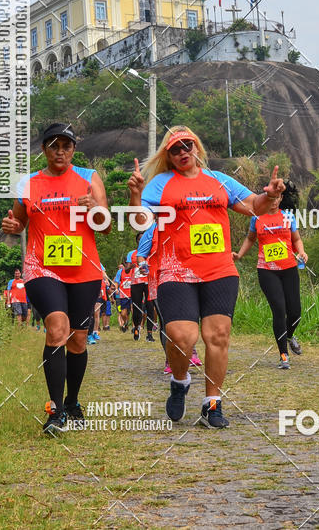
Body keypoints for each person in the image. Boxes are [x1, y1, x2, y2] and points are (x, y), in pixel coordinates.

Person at [129, 126, 286, 428]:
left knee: (218, 336)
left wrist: (271, 194)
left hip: (218, 270)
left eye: (187, 145)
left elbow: (254, 206)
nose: (182, 151)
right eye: (174, 149)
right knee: (181, 337)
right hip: (175, 269)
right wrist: (135, 195)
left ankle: (212, 404)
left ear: (197, 147)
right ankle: (179, 380)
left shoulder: (218, 181)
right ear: (168, 155)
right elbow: (140, 223)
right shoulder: (160, 184)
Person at [1, 122, 110, 435]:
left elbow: (104, 227)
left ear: (74, 149)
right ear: (43, 149)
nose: (60, 151)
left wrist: (96, 210)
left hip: (83, 268)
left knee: (77, 339)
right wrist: (13, 227)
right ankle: (55, 410)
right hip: (41, 267)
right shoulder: (28, 184)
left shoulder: (89, 179)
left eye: (66, 145)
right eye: (54, 146)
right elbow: (18, 222)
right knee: (57, 327)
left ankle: (72, 401)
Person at [234, 179, 306, 369]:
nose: (273, 201)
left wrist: (302, 252)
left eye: (277, 197)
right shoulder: (256, 218)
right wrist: (240, 255)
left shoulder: (288, 217)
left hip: (289, 268)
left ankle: (289, 336)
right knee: (279, 310)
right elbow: (250, 239)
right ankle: (283, 355)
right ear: (267, 198)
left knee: (295, 313)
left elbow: (296, 239)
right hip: (267, 271)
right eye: (270, 198)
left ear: (281, 198)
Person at [125, 235, 157, 342]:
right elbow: (126, 270)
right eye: (139, 239)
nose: (141, 241)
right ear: (137, 241)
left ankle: (149, 334)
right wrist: (131, 266)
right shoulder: (132, 253)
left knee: (150, 306)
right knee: (137, 306)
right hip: (136, 283)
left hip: (149, 282)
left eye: (143, 239)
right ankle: (137, 328)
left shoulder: (151, 251)